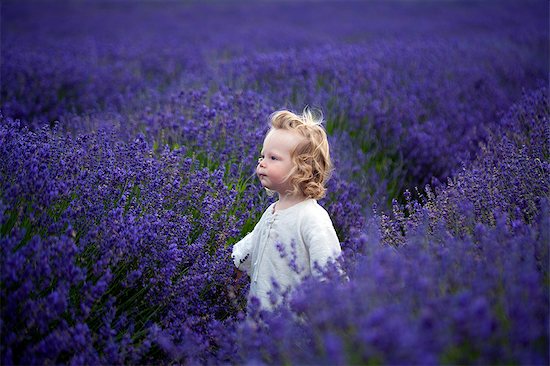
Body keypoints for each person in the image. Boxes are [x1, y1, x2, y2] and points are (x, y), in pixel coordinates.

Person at [231, 108, 342, 310]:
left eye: (273, 158)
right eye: (261, 156)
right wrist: (236, 266)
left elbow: (330, 274)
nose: (262, 163)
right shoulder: (272, 211)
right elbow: (254, 242)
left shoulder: (312, 219)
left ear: (303, 168)